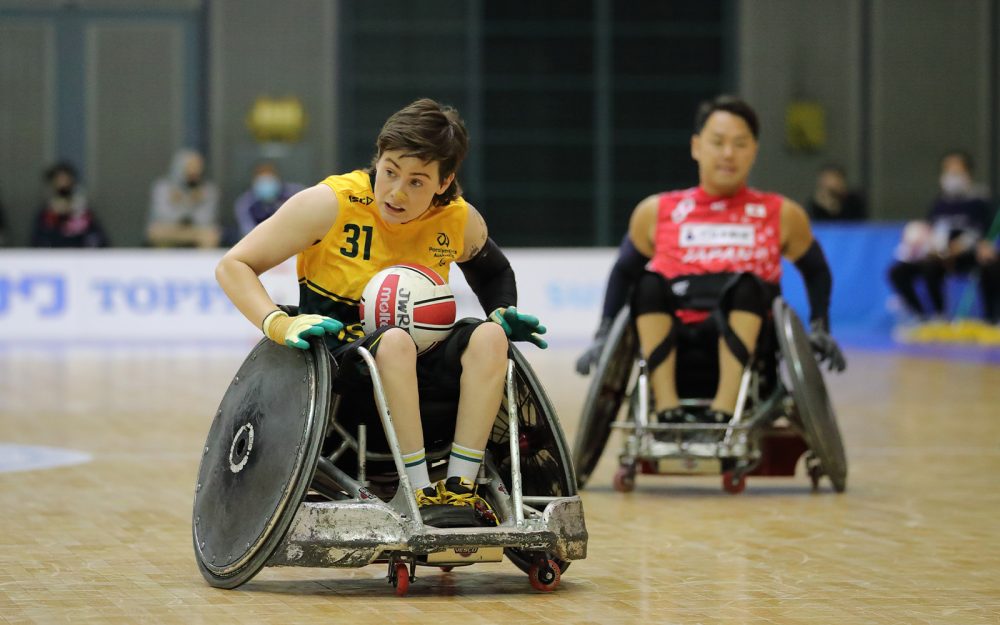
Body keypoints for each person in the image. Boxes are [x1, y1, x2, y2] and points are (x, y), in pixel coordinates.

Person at [215, 99, 546, 517]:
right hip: (341, 365)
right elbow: (234, 265)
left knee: (489, 336)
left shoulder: (458, 220)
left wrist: (502, 310)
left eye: (417, 182)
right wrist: (277, 322)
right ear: (378, 158)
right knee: (394, 342)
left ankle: (459, 486)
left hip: (422, 357)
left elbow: (493, 271)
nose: (396, 192)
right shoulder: (330, 203)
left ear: (444, 183)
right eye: (390, 171)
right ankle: (418, 491)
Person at [575, 95, 845, 425]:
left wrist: (820, 327)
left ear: (754, 150)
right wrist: (603, 335)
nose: (728, 153)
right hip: (674, 337)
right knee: (646, 283)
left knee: (746, 286)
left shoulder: (782, 213)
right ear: (696, 146)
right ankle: (666, 407)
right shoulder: (657, 211)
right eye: (718, 142)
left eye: (740, 143)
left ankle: (726, 410)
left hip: (751, 341)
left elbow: (816, 270)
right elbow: (623, 273)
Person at [888, 150, 995, 323]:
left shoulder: (979, 202)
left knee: (992, 266)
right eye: (948, 171)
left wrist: (961, 247)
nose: (951, 176)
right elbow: (931, 230)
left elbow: (982, 233)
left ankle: (992, 319)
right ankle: (931, 317)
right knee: (900, 271)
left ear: (967, 173)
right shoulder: (939, 203)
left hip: (969, 255)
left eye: (956, 172)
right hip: (940, 256)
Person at [147, 148, 221, 248]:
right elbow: (162, 216)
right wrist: (183, 204)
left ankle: (202, 264)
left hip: (196, 231)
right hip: (171, 230)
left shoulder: (207, 190)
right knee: (156, 231)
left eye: (198, 167)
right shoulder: (163, 188)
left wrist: (190, 201)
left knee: (211, 235)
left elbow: (206, 219)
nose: (195, 171)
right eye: (191, 166)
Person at [30, 161, 109, 248]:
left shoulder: (83, 212)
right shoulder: (45, 214)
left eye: (66, 179)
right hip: (53, 258)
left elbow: (99, 239)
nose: (63, 183)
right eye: (59, 179)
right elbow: (37, 242)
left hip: (79, 258)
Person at [233, 162, 303, 238]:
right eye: (262, 179)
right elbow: (248, 231)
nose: (266, 183)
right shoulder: (245, 203)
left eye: (269, 179)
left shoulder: (295, 194)